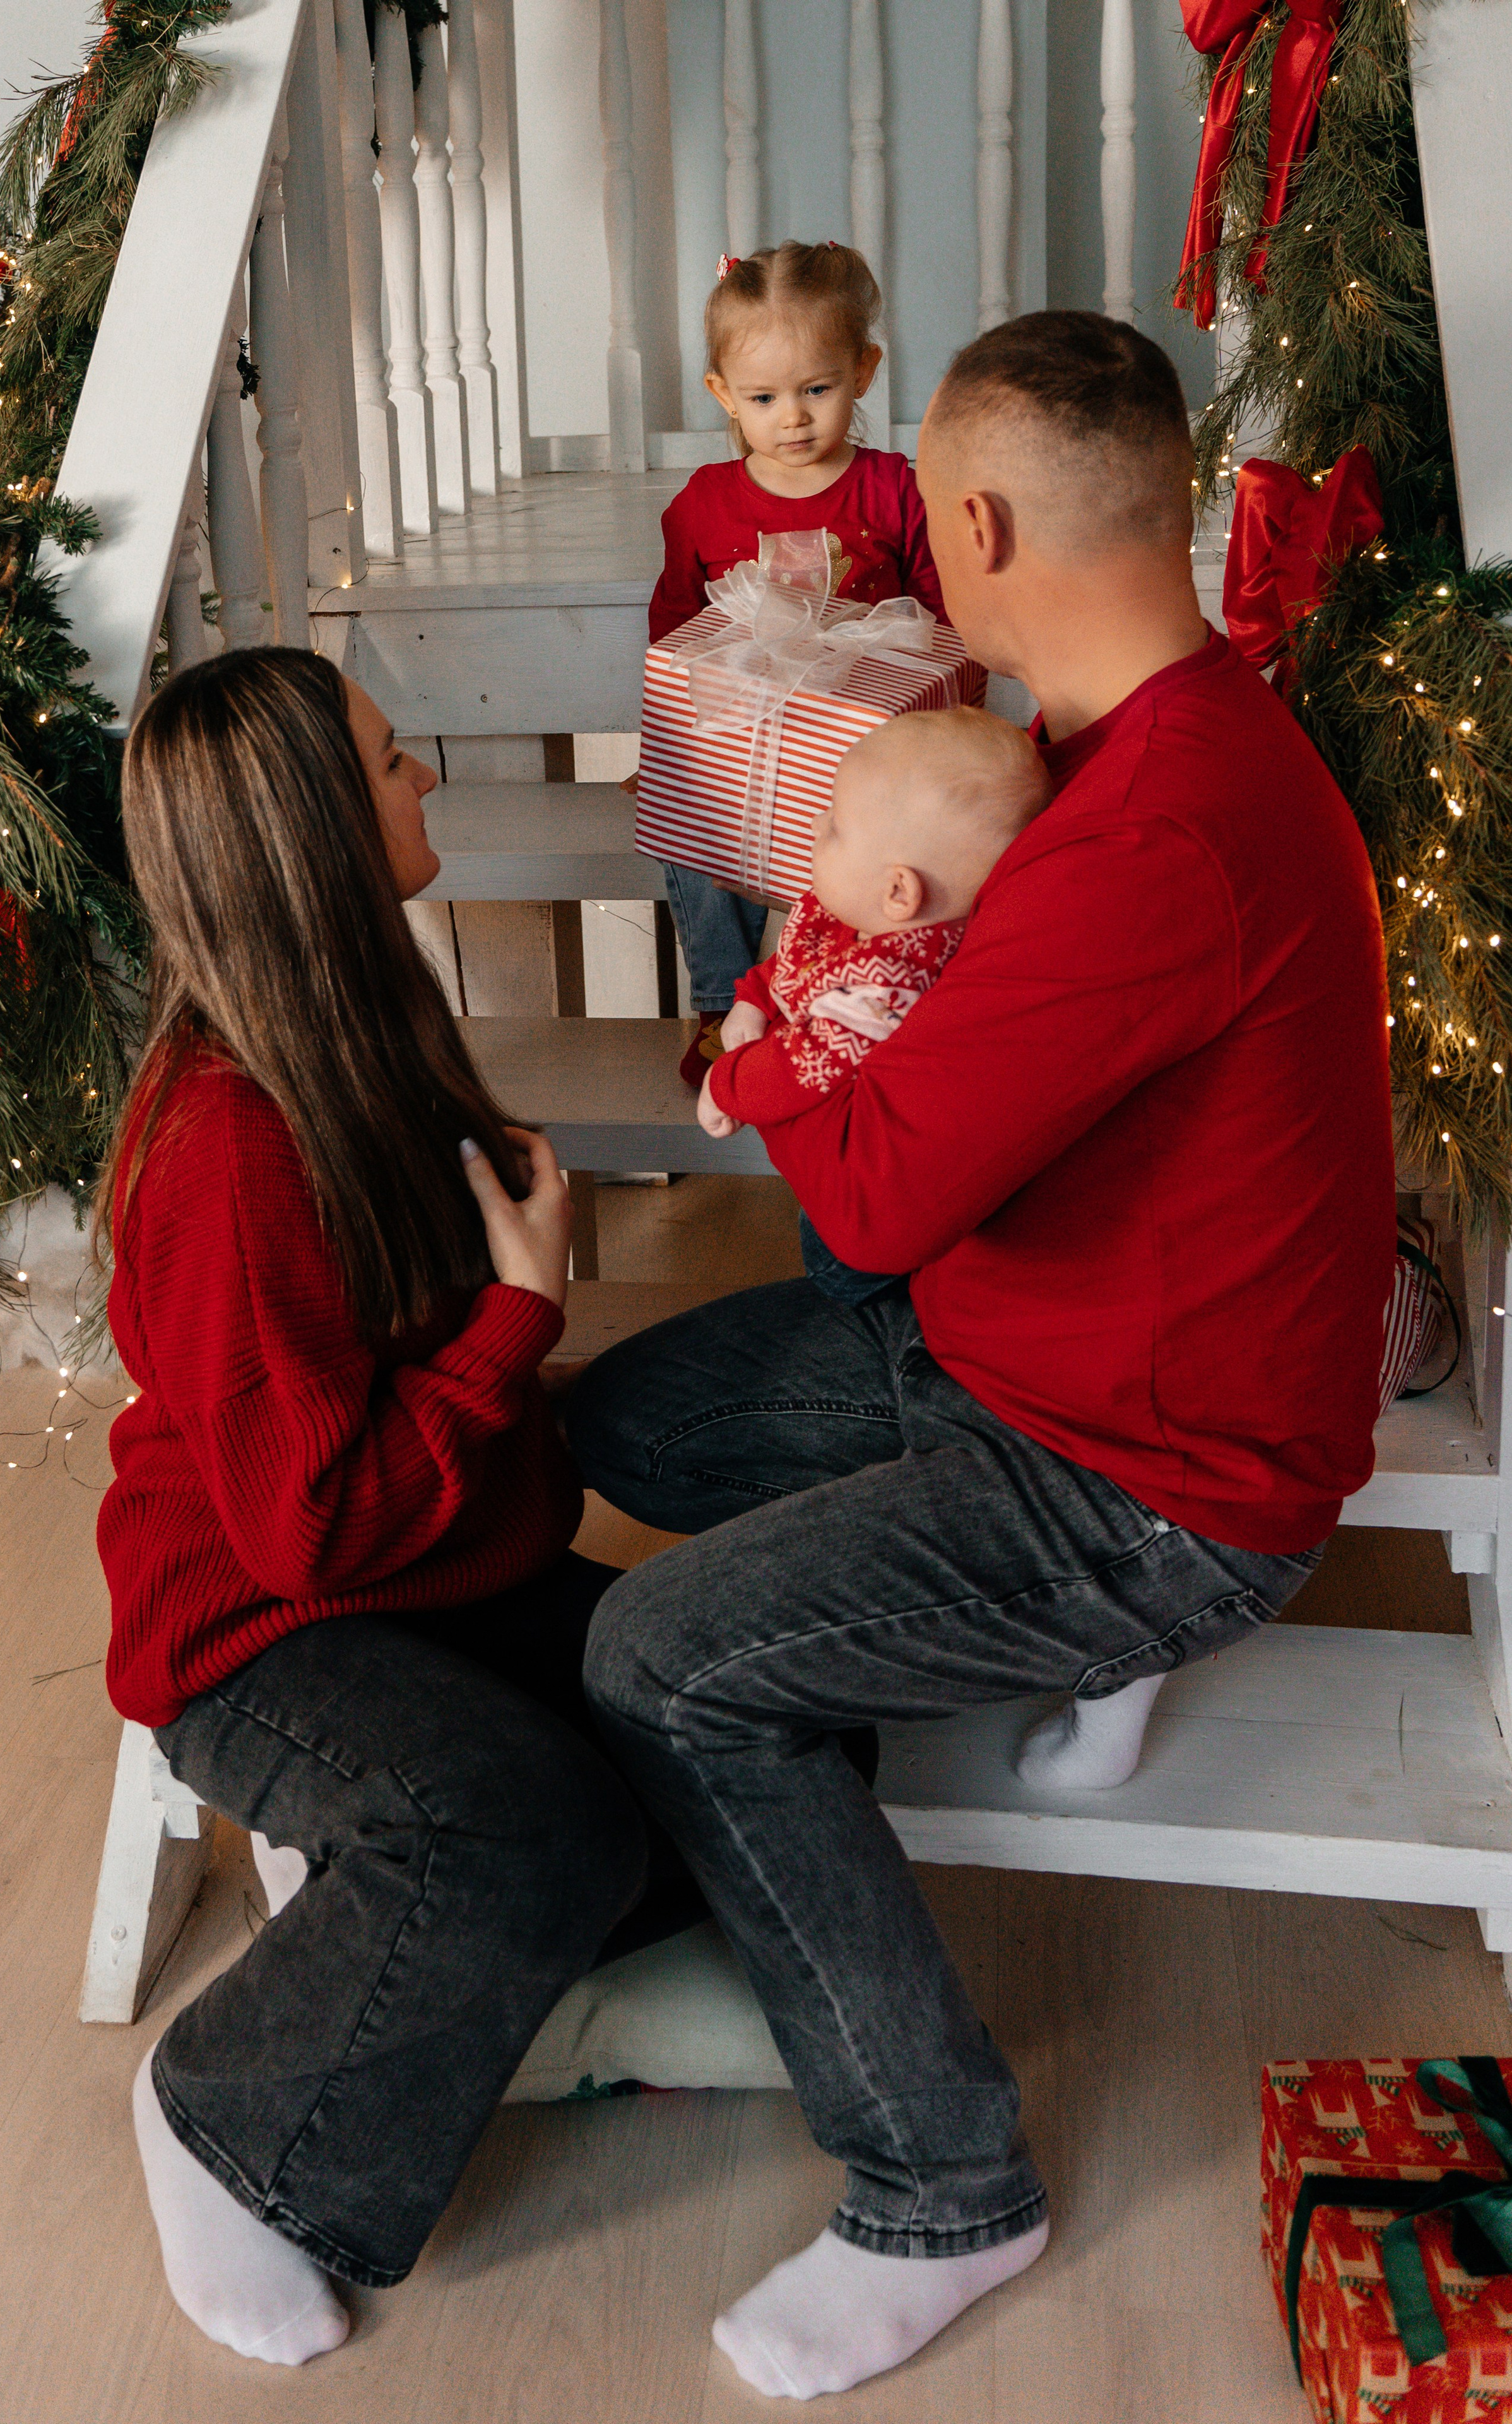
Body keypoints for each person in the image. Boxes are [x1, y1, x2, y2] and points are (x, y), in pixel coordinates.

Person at [568, 311, 1395, 2401]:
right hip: (1029, 1345)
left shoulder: (1149, 833)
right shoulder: (1136, 743)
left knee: (663, 1654)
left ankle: (945, 2182)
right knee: (629, 1421)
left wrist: (774, 1025)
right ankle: (756, 1849)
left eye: (930, 516)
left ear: (988, 516)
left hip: (1151, 1477)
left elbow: (865, 1202)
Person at [96, 647, 685, 2368]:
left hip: (424, 1569)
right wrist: (520, 1319)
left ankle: (434, 1973)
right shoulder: (225, 1141)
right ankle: (224, 2123)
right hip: (265, 1622)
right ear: (309, 836)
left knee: (735, 1716)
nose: (422, 777)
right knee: (528, 1833)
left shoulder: (371, 1030)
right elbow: (308, 1534)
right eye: (390, 763)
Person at [643, 239, 948, 1090]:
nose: (795, 418)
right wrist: (666, 748)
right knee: (692, 830)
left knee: (863, 859)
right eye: (764, 397)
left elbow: (943, 622)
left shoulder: (894, 490)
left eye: (819, 389)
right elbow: (673, 632)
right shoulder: (702, 505)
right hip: (746, 738)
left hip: (861, 749)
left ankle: (814, 998)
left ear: (865, 368)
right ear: (722, 396)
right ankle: (719, 1003)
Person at [696, 705, 1051, 1303]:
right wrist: (753, 1001)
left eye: (835, 826)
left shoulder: (891, 985)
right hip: (835, 1177)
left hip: (861, 1244)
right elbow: (799, 963)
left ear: (898, 891)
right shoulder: (866, 925)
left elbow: (804, 1065)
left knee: (842, 1291)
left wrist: (726, 1083)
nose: (814, 826)